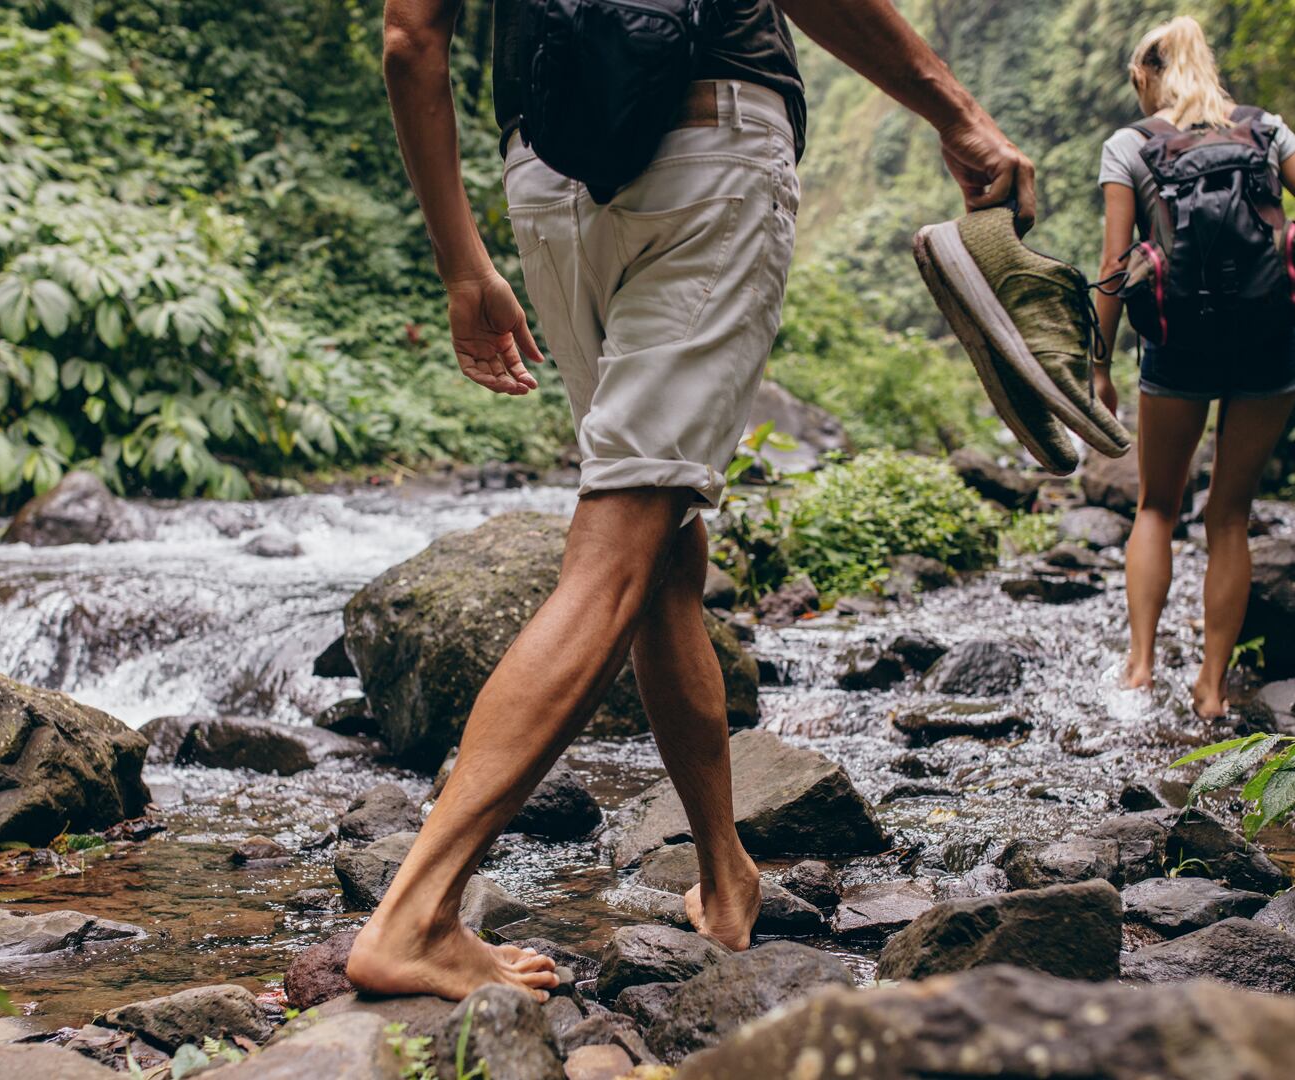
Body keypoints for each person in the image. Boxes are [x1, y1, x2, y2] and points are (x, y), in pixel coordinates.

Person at [347, 0, 1035, 1002]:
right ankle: (415, 913)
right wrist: (958, 114)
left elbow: (413, 37)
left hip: (548, 169)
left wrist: (462, 261)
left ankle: (723, 872)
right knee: (619, 548)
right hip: (709, 139)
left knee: (663, 551)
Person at [1092, 16, 1295, 718]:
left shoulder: (1131, 144)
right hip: (1271, 340)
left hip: (1179, 343)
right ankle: (1211, 689)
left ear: (1148, 76)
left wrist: (1099, 368)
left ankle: (1140, 669)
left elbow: (1114, 268)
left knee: (1155, 506)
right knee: (1230, 518)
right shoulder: (1267, 131)